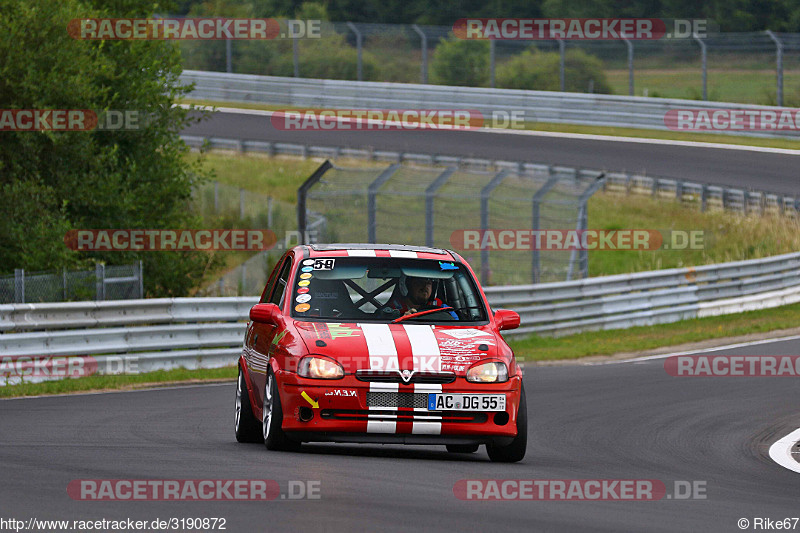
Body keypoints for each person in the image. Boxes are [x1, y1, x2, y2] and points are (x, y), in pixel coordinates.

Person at [386, 276, 458, 319]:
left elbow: (457, 327)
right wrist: (402, 320)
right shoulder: (392, 310)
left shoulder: (444, 308)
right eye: (419, 282)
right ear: (408, 286)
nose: (425, 286)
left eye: (429, 283)